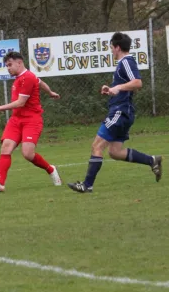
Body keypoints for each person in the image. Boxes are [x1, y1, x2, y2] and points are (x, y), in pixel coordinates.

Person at [67, 32, 162, 193]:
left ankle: (87, 185)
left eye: (111, 47)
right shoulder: (123, 64)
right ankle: (152, 160)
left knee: (97, 145)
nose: (111, 50)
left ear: (117, 47)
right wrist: (111, 89)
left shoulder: (126, 62)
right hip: (123, 111)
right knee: (115, 152)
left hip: (120, 112)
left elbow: (138, 83)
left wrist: (117, 88)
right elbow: (127, 86)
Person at [0, 51, 62, 192]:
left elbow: (20, 103)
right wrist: (50, 92)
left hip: (31, 120)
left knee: (28, 154)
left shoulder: (27, 78)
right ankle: (0, 183)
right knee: (6, 147)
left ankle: (50, 169)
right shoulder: (23, 77)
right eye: (6, 66)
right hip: (16, 119)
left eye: (10, 65)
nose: (8, 68)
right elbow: (41, 82)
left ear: (19, 63)